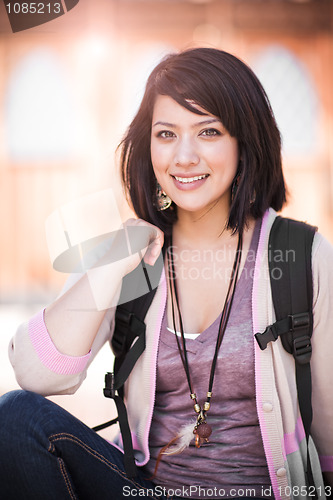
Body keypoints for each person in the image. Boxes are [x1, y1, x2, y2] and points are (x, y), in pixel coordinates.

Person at [0, 47, 332, 500]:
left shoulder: (300, 253)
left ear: (244, 141)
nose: (184, 155)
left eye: (209, 131)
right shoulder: (135, 257)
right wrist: (114, 259)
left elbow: (331, 434)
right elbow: (37, 374)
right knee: (17, 418)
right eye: (166, 133)